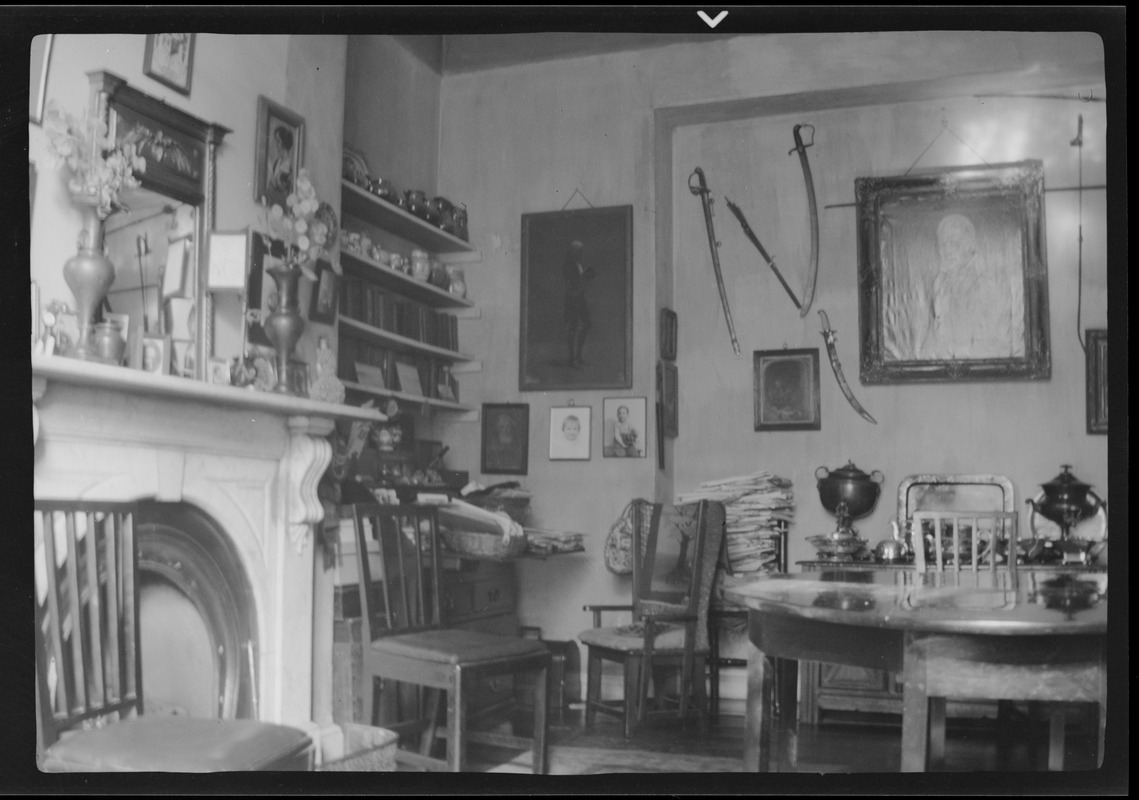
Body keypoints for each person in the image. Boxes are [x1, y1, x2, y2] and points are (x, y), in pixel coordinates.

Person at [918, 213, 1023, 361]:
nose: (947, 250)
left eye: (954, 243)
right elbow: (928, 344)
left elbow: (1000, 348)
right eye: (943, 243)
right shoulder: (940, 285)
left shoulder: (989, 288)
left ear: (970, 247)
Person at [562, 239, 595, 369]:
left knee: (586, 324)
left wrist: (585, 278)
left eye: (582, 251)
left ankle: (578, 356)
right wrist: (583, 279)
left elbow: (578, 283)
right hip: (572, 299)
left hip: (579, 298)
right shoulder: (568, 265)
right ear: (573, 252)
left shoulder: (577, 264)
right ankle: (572, 359)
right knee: (573, 328)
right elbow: (570, 284)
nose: (582, 253)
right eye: (580, 251)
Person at [268, 124, 294, 200]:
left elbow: (285, 191)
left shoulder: (288, 167)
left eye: (278, 141)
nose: (275, 144)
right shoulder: (277, 162)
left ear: (284, 143)